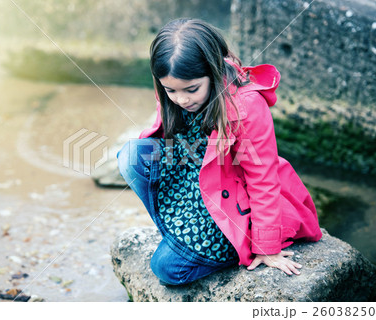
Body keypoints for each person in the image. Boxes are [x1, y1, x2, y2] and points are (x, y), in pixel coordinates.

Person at [117, 18, 322, 286]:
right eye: (170, 91)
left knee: (166, 269)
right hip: (195, 178)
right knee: (131, 156)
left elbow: (262, 180)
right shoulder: (174, 89)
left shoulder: (246, 106)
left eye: (192, 89)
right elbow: (169, 139)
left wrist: (266, 245)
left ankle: (208, 244)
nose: (181, 100)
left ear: (212, 71)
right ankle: (176, 235)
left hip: (234, 200)